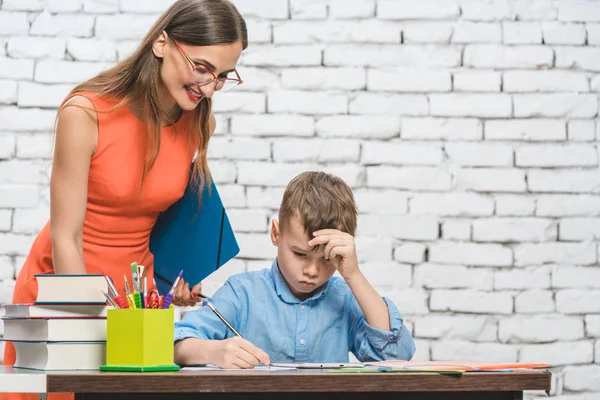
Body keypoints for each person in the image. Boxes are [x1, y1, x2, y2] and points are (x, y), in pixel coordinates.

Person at [2, 1, 247, 398]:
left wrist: (180, 275)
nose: (207, 87)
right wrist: (84, 326)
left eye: (221, 76)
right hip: (65, 291)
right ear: (162, 44)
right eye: (201, 67)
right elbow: (66, 237)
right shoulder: (86, 113)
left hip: (135, 299)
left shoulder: (198, 121)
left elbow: (165, 211)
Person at [174, 172, 416, 368]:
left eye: (327, 259)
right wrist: (214, 352)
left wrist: (353, 274)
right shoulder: (242, 294)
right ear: (276, 234)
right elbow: (175, 344)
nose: (312, 270)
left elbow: (397, 354)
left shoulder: (344, 298)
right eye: (300, 254)